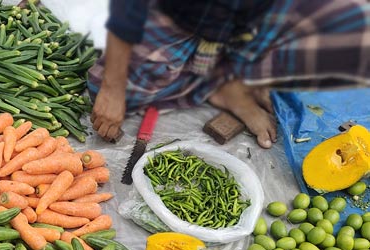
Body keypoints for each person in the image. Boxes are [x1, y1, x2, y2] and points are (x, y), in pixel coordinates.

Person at [89, 0, 370, 148]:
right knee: (115, 90)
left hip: (251, 19)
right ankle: (219, 83)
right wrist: (113, 88)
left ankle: (232, 82)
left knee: (349, 25)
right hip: (184, 14)